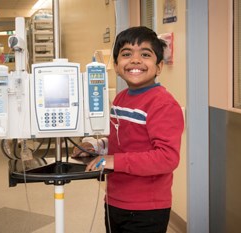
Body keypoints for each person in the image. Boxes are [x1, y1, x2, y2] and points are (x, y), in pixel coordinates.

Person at [73, 26, 184, 233]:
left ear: (159, 66)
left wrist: (115, 161)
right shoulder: (121, 98)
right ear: (115, 65)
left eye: (145, 54)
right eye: (126, 54)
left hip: (146, 209)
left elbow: (167, 157)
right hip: (115, 200)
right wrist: (96, 146)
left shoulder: (162, 104)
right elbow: (120, 140)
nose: (135, 60)